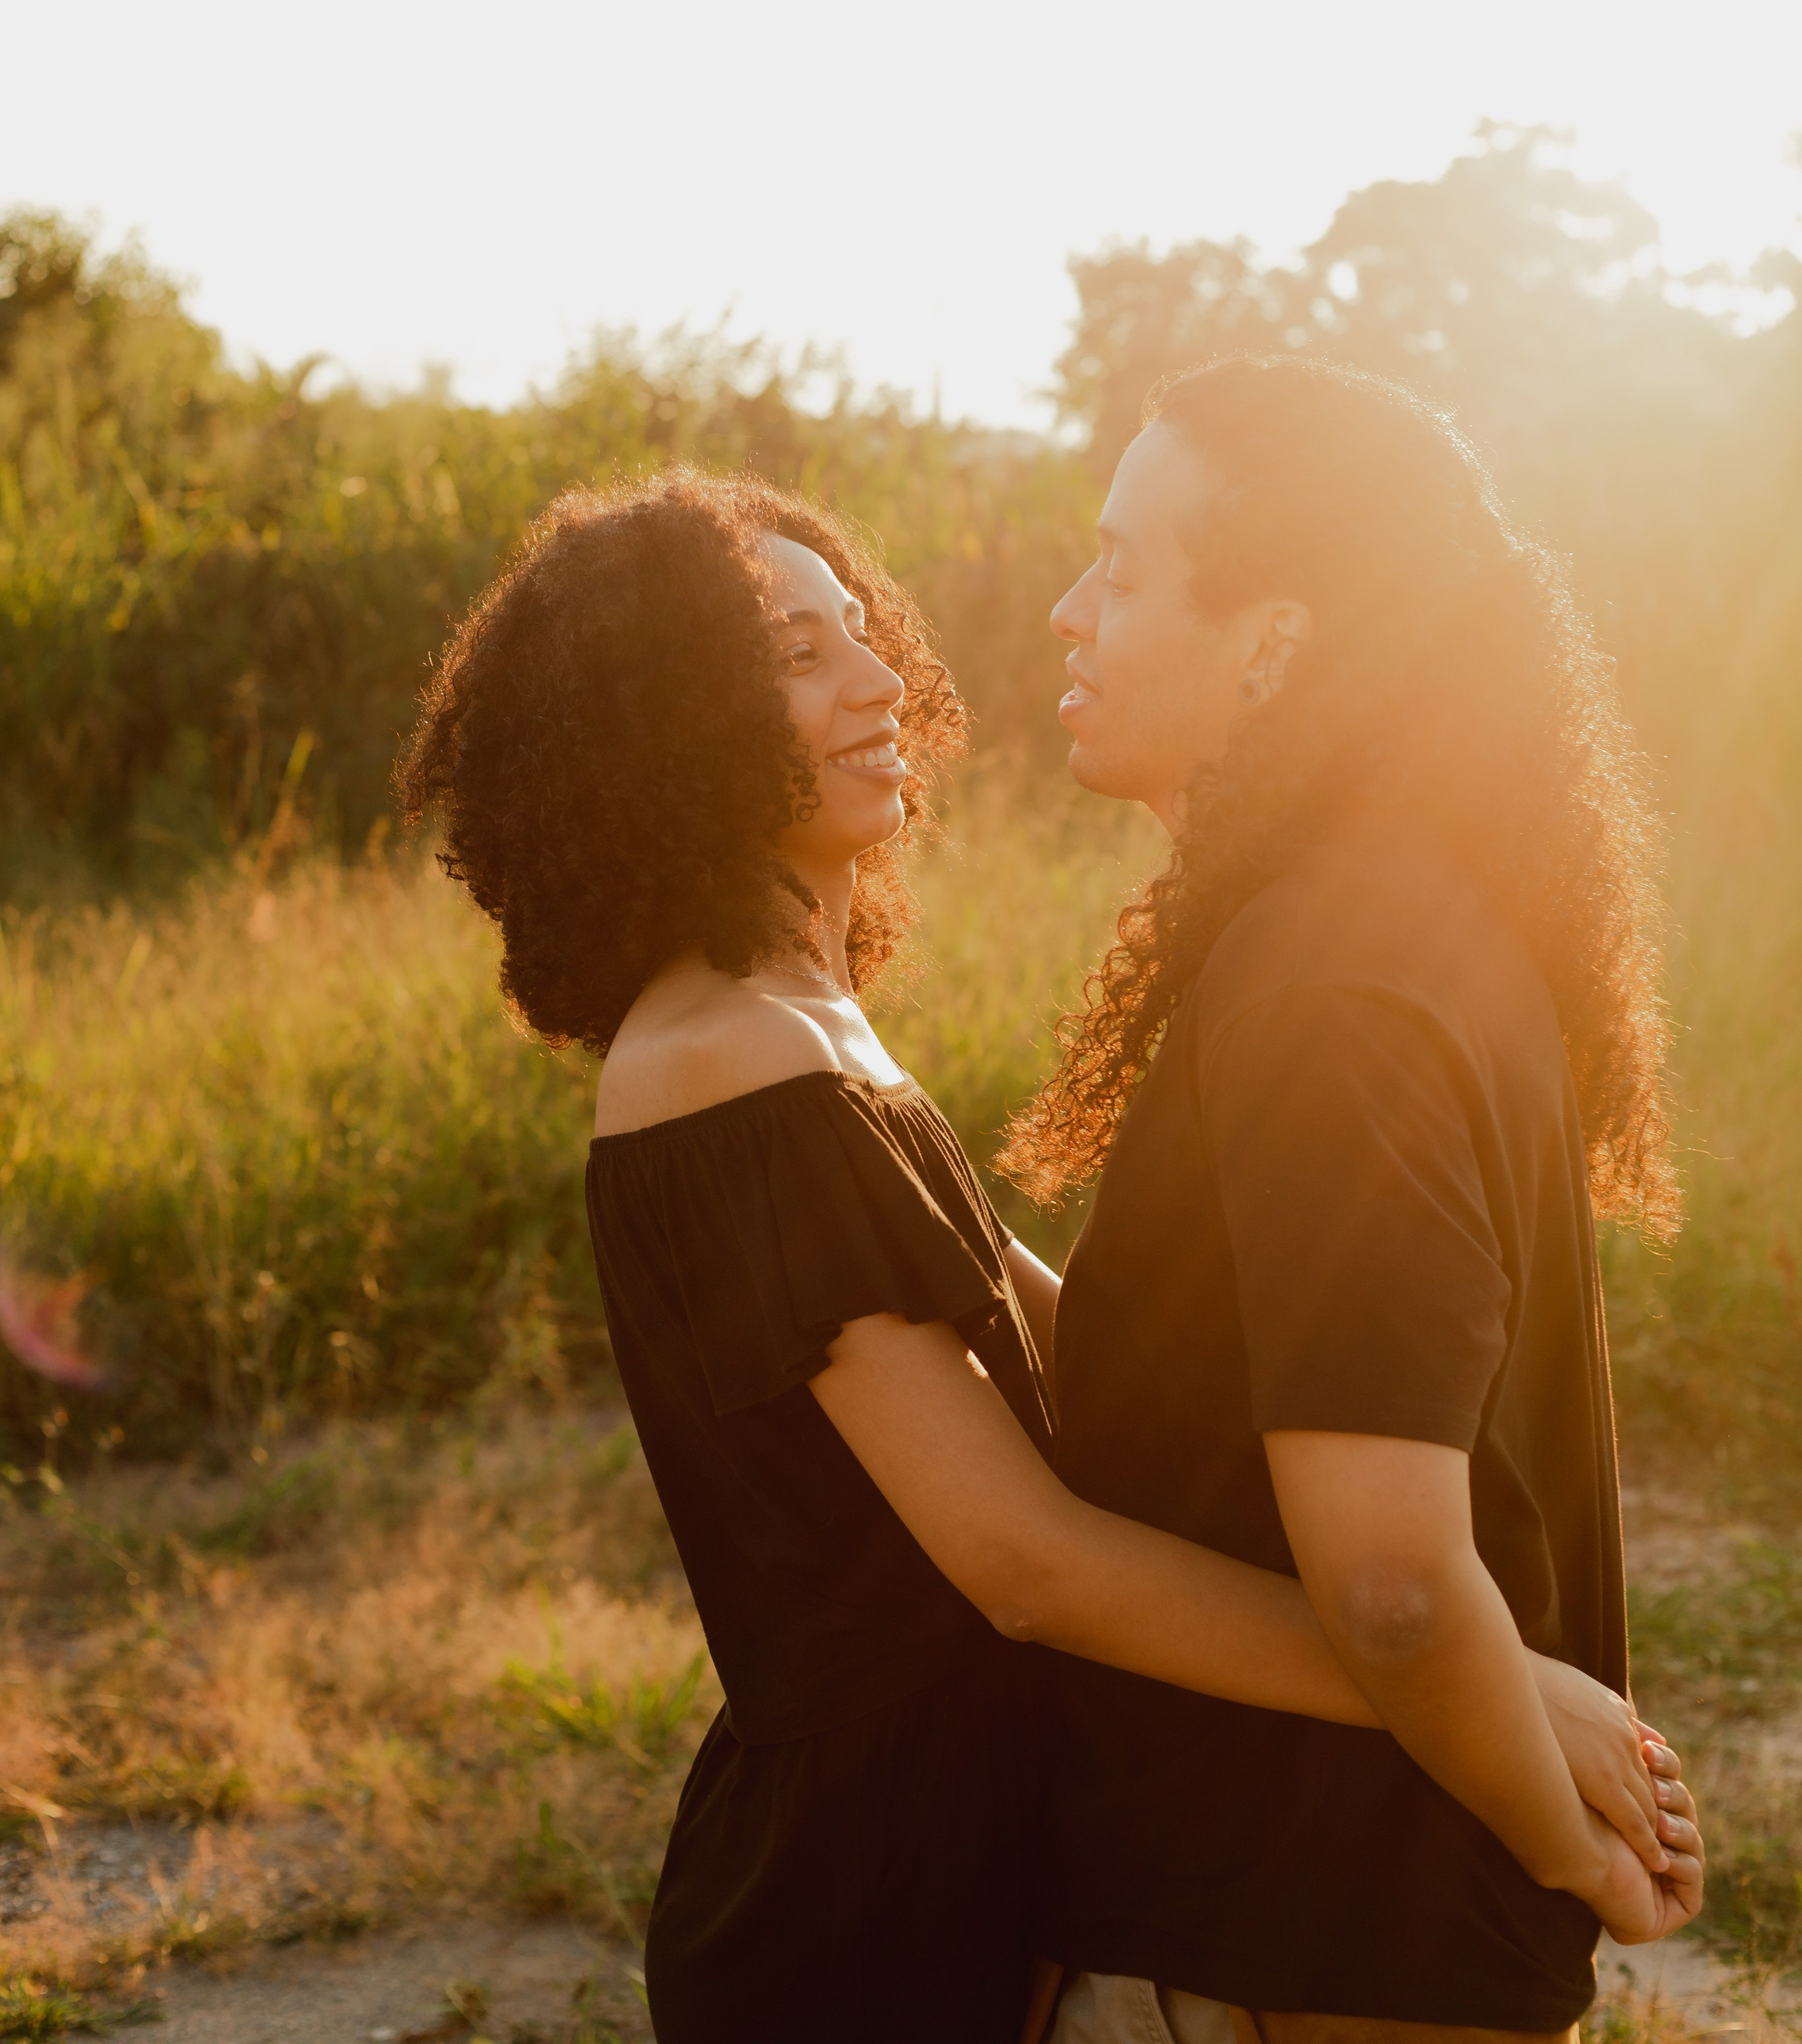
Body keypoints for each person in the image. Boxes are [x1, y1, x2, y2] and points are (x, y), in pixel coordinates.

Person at [396, 464, 1692, 2044]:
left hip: (992, 1834)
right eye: (792, 655)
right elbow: (1021, 1564)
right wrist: (1474, 1694)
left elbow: (1086, 1362)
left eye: (857, 629)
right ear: (660, 723)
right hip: (864, 1894)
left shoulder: (810, 1032)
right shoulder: (718, 1059)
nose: (878, 676)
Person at [1000, 355, 1703, 2044]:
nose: (1065, 611)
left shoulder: (1330, 986)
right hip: (1329, 1917)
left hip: (1320, 1937)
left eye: (1123, 566)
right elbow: (1215, 1372)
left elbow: (1389, 1582)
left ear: (1274, 642)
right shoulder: (1382, 918)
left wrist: (1571, 1855)